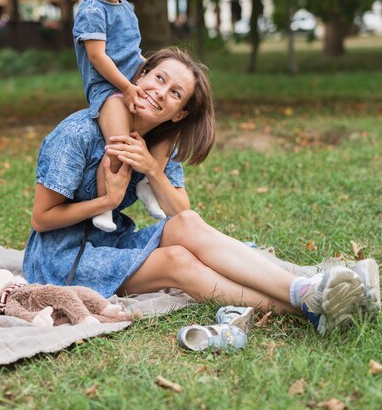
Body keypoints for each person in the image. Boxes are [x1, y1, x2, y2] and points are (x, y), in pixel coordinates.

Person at [23, 48, 379, 335]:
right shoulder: (77, 134)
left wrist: (151, 169)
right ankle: (306, 300)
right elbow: (41, 219)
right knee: (179, 260)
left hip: (111, 242)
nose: (160, 92)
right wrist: (108, 201)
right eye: (158, 78)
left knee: (186, 224)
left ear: (179, 114)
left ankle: (307, 294)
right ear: (140, 76)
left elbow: (181, 211)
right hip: (60, 260)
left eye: (174, 93)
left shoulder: (160, 143)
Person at [73, 0, 169, 232]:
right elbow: (98, 56)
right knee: (118, 143)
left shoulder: (127, 8)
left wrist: (149, 69)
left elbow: (131, 53)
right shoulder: (91, 9)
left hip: (132, 82)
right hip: (108, 89)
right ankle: (107, 201)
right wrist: (127, 87)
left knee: (166, 125)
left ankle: (143, 184)